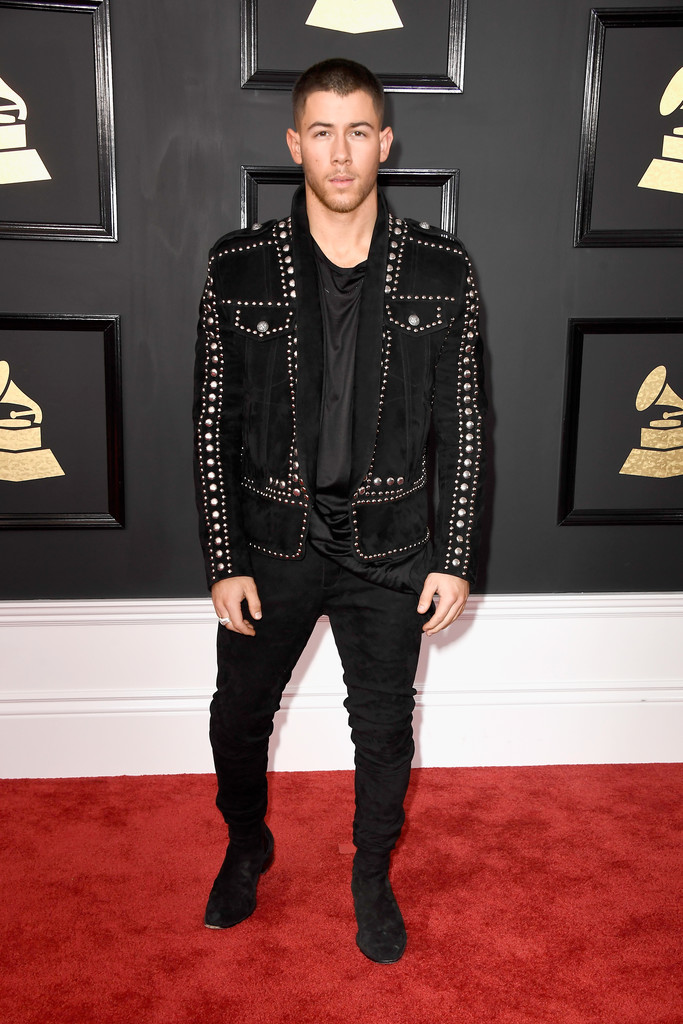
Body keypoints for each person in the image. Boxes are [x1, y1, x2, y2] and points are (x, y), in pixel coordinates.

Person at [193, 58, 486, 964]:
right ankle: (247, 844)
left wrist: (455, 554)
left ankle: (370, 873)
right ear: (295, 144)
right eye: (321, 132)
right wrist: (223, 559)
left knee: (384, 728)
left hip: (391, 547)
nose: (340, 152)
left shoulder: (441, 266)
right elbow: (212, 421)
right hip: (272, 541)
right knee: (237, 717)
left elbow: (463, 422)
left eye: (358, 131)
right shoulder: (238, 265)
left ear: (384, 142)